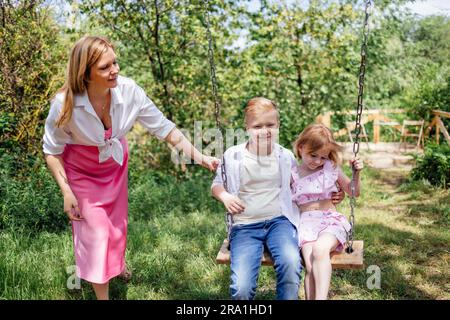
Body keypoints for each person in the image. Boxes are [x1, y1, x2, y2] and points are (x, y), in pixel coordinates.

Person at [43, 36, 219, 300]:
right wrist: (66, 191)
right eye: (105, 67)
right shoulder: (64, 104)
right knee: (96, 232)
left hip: (114, 165)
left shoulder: (129, 90)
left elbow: (165, 128)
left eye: (115, 62)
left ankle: (117, 265)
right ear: (85, 73)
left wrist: (200, 156)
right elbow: (51, 150)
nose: (114, 70)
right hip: (81, 171)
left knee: (116, 227)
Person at [211, 98, 344, 299]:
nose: (265, 131)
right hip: (245, 226)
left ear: (278, 125)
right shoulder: (233, 155)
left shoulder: (285, 156)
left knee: (291, 265)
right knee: (241, 289)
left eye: (270, 125)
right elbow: (216, 184)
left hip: (280, 222)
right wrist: (225, 196)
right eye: (257, 126)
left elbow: (302, 186)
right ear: (246, 127)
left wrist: (333, 193)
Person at [291, 123, 363, 300]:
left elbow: (353, 191)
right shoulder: (292, 173)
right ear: (301, 148)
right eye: (312, 155)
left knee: (320, 249)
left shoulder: (331, 168)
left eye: (322, 157)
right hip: (305, 224)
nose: (317, 161)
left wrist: (356, 174)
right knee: (309, 265)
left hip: (330, 221)